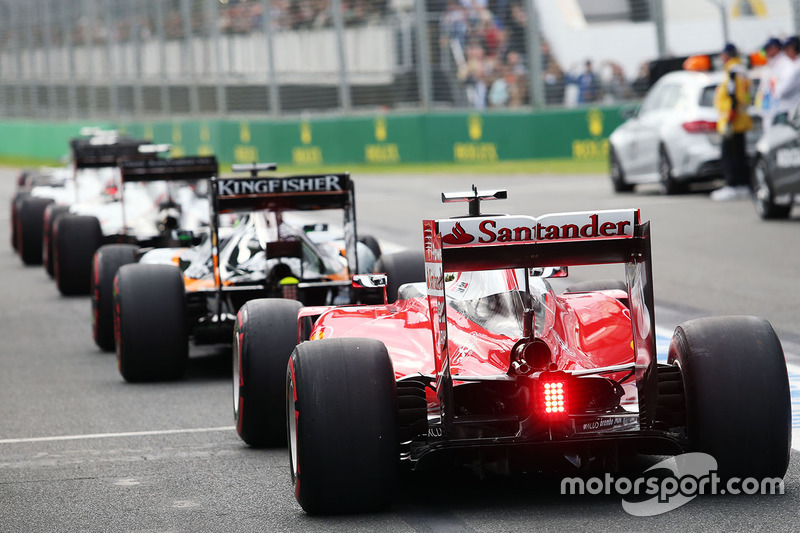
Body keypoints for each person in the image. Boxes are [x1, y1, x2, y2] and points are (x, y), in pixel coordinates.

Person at [711, 43, 753, 201]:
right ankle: (743, 184)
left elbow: (733, 96)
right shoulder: (742, 70)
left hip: (732, 120)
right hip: (740, 120)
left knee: (729, 155)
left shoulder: (732, 72)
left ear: (726, 55)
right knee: (740, 153)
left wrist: (729, 119)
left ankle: (733, 185)